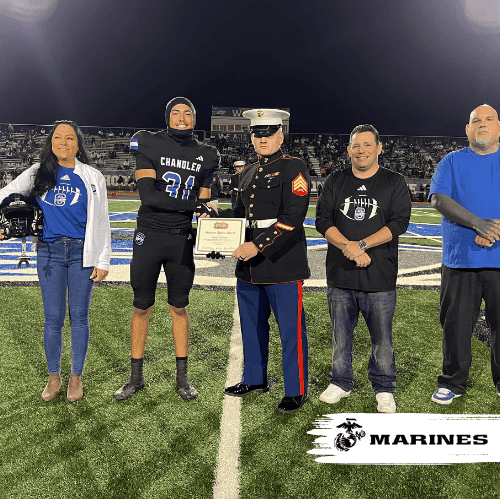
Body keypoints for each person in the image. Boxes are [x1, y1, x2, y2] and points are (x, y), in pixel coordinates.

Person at [115, 97, 219, 400]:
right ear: (167, 117)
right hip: (149, 234)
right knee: (141, 306)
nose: (182, 117)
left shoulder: (207, 153)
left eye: (188, 113)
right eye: (176, 112)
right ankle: (135, 378)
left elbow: (205, 203)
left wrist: (212, 233)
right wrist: (194, 205)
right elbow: (150, 197)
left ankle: (182, 378)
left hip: (181, 238)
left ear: (194, 118)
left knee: (179, 307)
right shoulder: (149, 142)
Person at [0, 120, 111, 402]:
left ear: (78, 144)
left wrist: (103, 260)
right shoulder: (37, 172)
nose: (63, 142)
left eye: (70, 138)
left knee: (79, 316)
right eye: (58, 137)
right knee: (53, 318)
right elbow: (4, 195)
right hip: (49, 251)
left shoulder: (93, 176)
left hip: (82, 253)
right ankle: (54, 376)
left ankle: (76, 377)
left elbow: (102, 221)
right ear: (51, 143)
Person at [213, 109, 310, 413]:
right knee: (252, 326)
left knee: (291, 331)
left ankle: (296, 390)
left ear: (280, 136)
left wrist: (257, 245)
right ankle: (255, 379)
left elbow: (293, 217)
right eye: (257, 134)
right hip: (249, 268)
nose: (263, 139)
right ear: (252, 138)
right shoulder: (248, 172)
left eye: (269, 134)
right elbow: (241, 215)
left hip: (282, 262)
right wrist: (213, 222)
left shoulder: (293, 167)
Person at [315, 124, 411, 413]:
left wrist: (363, 245)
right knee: (340, 336)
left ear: (379, 148)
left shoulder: (394, 181)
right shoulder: (335, 180)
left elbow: (399, 223)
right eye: (356, 146)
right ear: (348, 150)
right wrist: (350, 247)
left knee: (382, 339)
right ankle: (340, 381)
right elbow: (322, 221)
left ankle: (384, 387)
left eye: (368, 145)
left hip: (379, 275)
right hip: (340, 274)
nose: (361, 151)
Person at [428, 104, 500, 404]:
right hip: (460, 260)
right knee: (455, 325)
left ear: (498, 126)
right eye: (476, 121)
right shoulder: (452, 161)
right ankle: (453, 382)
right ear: (467, 130)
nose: (482, 124)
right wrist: (477, 224)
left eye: (489, 119)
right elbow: (438, 199)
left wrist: (493, 230)